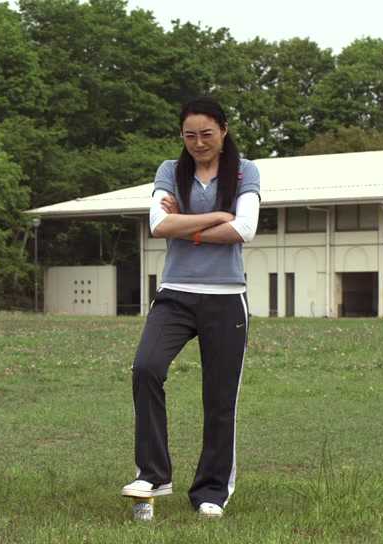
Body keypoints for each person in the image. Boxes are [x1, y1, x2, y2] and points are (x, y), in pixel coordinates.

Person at [121, 96, 260, 518]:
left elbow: (245, 228)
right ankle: (153, 474)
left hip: (226, 297)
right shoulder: (170, 170)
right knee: (146, 367)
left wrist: (188, 226)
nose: (199, 143)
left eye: (207, 134)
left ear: (224, 130)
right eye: (190, 135)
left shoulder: (245, 171)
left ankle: (211, 492)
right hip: (175, 293)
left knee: (219, 397)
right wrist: (218, 215)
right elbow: (159, 224)